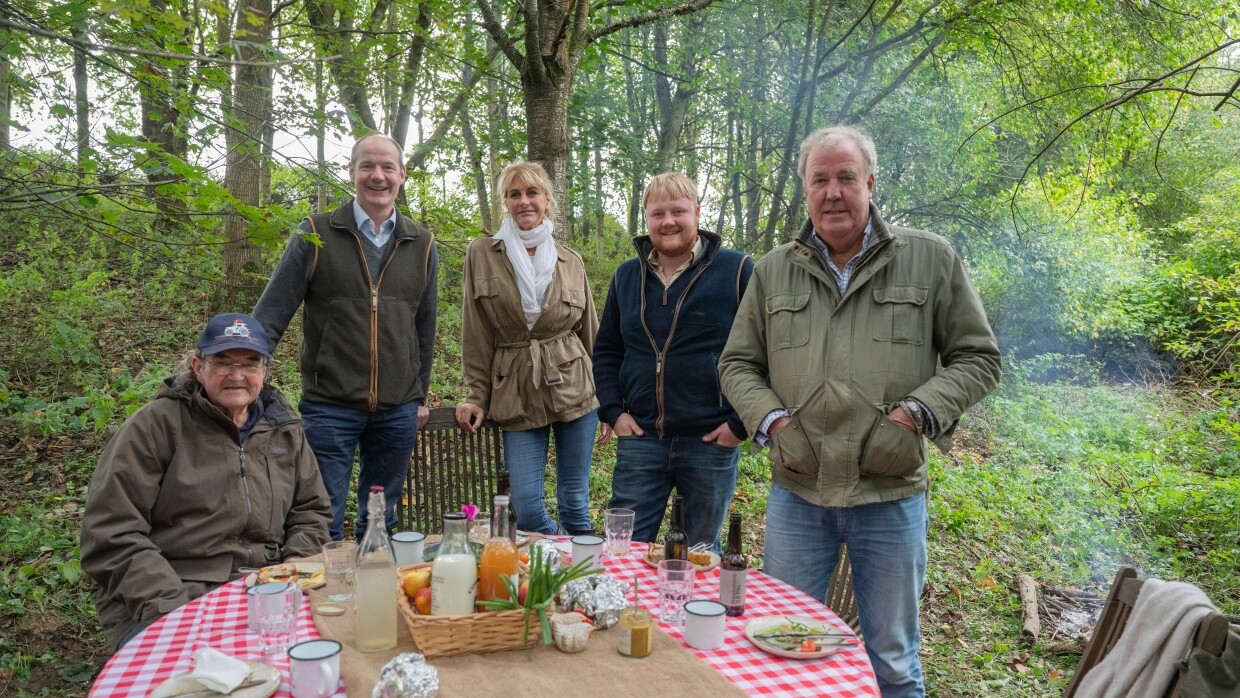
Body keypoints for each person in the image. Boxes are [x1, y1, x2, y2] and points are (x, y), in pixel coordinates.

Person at [718, 125, 1001, 697]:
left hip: (889, 497)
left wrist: (915, 413)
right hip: (799, 494)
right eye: (819, 180)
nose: (833, 192)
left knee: (893, 660)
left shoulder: (929, 258)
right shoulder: (774, 269)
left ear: (870, 184)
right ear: (805, 190)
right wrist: (774, 423)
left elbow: (978, 358)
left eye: (846, 178)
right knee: (780, 645)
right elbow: (737, 365)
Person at [80, 313, 331, 650]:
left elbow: (310, 510)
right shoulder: (154, 427)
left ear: (264, 371)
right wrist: (172, 607)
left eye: (250, 364)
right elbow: (111, 534)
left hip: (265, 583)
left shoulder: (282, 428)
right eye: (222, 363)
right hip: (171, 589)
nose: (237, 376)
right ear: (198, 368)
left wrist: (292, 570)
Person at [253, 133, 439, 542]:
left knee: (381, 523)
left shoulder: (421, 243)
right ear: (351, 172)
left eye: (388, 167)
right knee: (323, 519)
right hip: (330, 406)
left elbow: (424, 328)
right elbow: (271, 314)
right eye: (367, 166)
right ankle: (326, 603)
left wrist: (418, 395)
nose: (378, 176)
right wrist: (247, 373)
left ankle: (377, 603)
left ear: (402, 175)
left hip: (397, 410)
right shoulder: (316, 233)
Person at [592, 172, 753, 552]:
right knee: (624, 548)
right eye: (657, 213)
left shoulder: (737, 271)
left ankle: (694, 613)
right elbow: (607, 350)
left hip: (710, 440)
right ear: (646, 220)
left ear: (697, 213)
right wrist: (614, 411)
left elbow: (766, 350)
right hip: (641, 438)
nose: (668, 222)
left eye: (678, 211)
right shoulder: (626, 277)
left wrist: (740, 423)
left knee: (700, 554)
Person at [456, 161, 599, 535]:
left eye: (532, 193)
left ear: (547, 200)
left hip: (575, 386)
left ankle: (581, 580)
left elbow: (591, 332)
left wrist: (608, 397)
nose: (524, 202)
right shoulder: (483, 252)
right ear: (505, 202)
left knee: (575, 502)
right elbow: (476, 331)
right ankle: (560, 553)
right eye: (514, 194)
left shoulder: (570, 261)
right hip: (514, 389)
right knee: (528, 507)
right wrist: (477, 394)